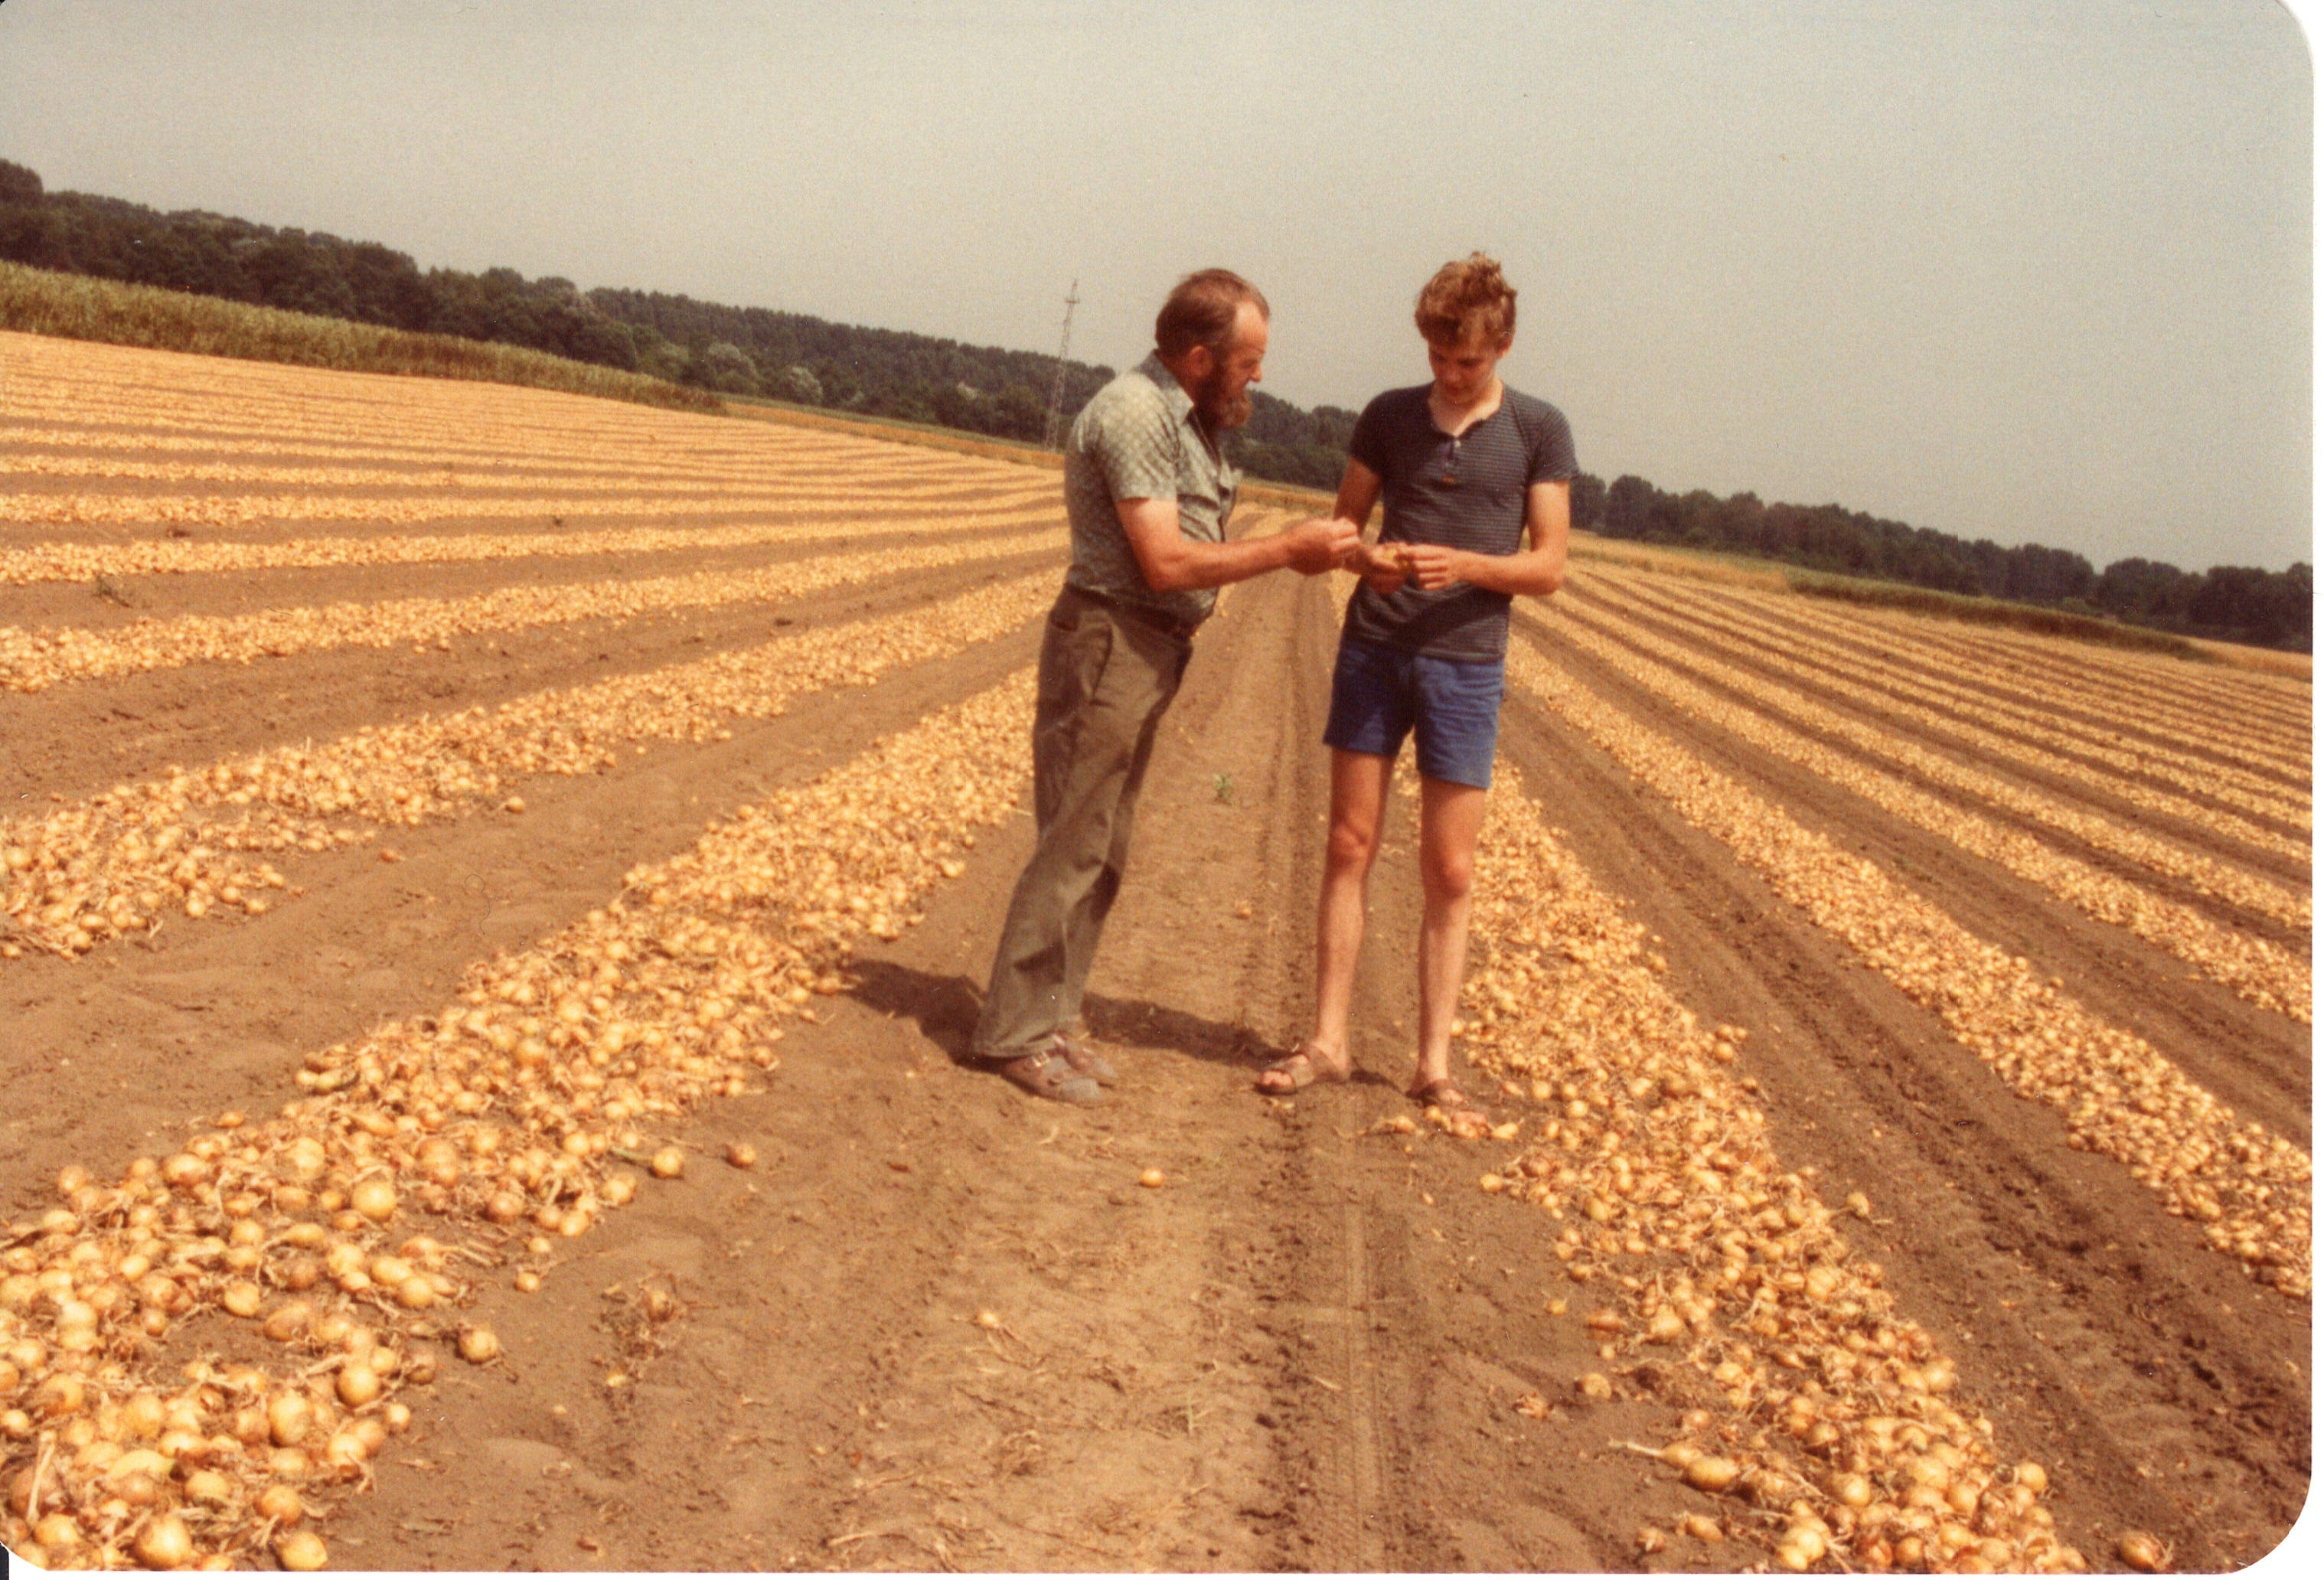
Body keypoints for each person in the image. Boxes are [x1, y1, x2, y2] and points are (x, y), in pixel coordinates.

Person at [972, 269, 1359, 1105]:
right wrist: (1289, 551)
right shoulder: (1134, 413)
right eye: (1248, 362)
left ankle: (1053, 1021)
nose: (1258, 377)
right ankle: (1012, 1034)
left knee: (1103, 848)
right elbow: (1166, 560)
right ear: (1197, 355)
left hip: (1148, 646)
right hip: (1110, 640)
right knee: (1071, 843)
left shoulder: (1187, 420)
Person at [1258, 253, 1575, 1114]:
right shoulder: (1390, 417)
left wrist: (1464, 564)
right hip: (1375, 648)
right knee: (1348, 845)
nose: (1449, 373)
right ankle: (1328, 1042)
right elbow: (1342, 529)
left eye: (1466, 361)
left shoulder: (1540, 430)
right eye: (1438, 356)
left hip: (1467, 664)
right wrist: (1372, 561)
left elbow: (1547, 567)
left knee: (1452, 867)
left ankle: (1433, 1067)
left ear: (1502, 345)